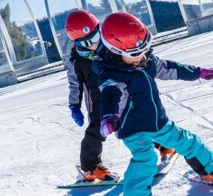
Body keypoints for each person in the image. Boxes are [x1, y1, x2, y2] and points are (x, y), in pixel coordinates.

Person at [94, 12, 213, 196]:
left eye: (143, 50)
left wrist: (198, 73)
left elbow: (173, 69)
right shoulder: (112, 75)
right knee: (146, 159)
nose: (140, 57)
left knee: (187, 141)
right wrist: (109, 117)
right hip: (133, 129)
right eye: (134, 54)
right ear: (115, 52)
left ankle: (210, 170)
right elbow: (110, 96)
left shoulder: (147, 61)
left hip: (158, 122)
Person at [62, 10, 175, 183]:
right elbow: (75, 85)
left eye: (96, 36)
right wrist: (74, 106)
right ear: (77, 42)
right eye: (88, 41)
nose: (95, 43)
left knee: (138, 117)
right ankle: (89, 167)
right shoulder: (76, 61)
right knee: (97, 129)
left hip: (121, 92)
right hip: (98, 100)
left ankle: (160, 142)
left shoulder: (109, 45)